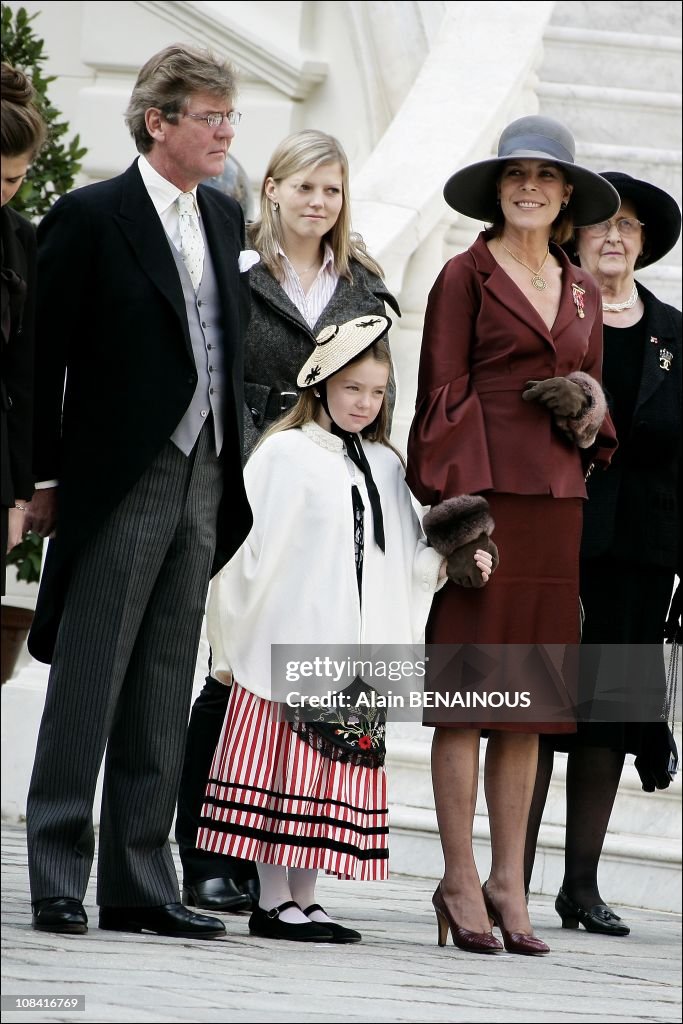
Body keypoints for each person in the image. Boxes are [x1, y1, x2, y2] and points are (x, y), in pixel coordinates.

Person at [23, 44, 253, 939]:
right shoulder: (90, 216)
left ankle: (140, 884)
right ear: (158, 122)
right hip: (121, 474)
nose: (226, 131)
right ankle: (55, 870)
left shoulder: (226, 219)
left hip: (207, 471)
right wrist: (42, 478)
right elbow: (43, 360)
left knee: (163, 680)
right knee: (89, 677)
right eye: (210, 116)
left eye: (230, 116)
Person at [194, 313, 493, 942]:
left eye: (377, 392)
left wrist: (453, 555)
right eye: (352, 387)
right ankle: (272, 900)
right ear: (322, 382)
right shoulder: (282, 453)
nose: (364, 403)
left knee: (324, 774)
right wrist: (232, 637)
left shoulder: (385, 464)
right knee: (284, 771)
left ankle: (306, 896)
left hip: (355, 653)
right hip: (294, 638)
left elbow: (404, 560)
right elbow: (245, 553)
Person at [406, 115, 620, 956]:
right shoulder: (462, 275)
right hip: (486, 501)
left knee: (527, 706)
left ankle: (508, 881)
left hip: (558, 504)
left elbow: (596, 397)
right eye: (514, 174)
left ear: (567, 195)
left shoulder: (580, 290)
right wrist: (460, 522)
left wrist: (587, 408)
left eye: (544, 175)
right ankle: (458, 879)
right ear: (497, 191)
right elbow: (439, 395)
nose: (528, 185)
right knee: (466, 702)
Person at [175, 129, 400, 913]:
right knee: (231, 670)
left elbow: (376, 384)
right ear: (271, 188)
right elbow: (209, 364)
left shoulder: (363, 285)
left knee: (300, 678)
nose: (317, 202)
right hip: (245, 473)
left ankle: (277, 851)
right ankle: (206, 851)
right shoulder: (233, 269)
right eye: (304, 186)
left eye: (331, 190)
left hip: (323, 491)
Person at [524, 172, 682, 937]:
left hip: (640, 551)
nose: (614, 236)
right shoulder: (553, 313)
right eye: (601, 225)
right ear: (575, 236)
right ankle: (506, 882)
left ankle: (579, 887)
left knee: (608, 718)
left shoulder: (674, 333)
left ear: (644, 244)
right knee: (529, 708)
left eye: (629, 227)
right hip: (556, 533)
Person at [1, 63, 46, 586]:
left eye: (14, 179)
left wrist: (17, 494)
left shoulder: (21, 239)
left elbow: (22, 371)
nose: (3, 191)